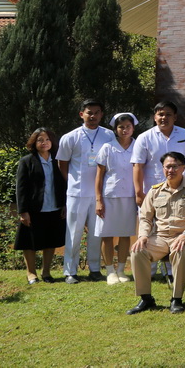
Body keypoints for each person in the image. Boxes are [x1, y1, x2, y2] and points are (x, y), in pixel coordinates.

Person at [126, 151, 185, 315]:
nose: (171, 170)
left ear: (183, 168)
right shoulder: (155, 191)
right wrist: (143, 236)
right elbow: (146, 218)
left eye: (175, 166)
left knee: (180, 250)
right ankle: (146, 298)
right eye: (168, 167)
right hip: (160, 237)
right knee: (138, 251)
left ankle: (176, 299)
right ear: (163, 168)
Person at [57, 98, 115, 283]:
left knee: (96, 232)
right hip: (77, 192)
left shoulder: (109, 135)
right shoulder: (70, 137)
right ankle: (70, 271)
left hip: (100, 193)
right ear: (81, 114)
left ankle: (95, 269)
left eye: (97, 112)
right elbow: (62, 164)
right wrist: (72, 182)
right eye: (89, 112)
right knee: (73, 232)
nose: (93, 116)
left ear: (101, 115)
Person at [14, 128, 66, 285]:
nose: (44, 143)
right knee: (29, 242)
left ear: (52, 142)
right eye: (40, 140)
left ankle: (46, 272)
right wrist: (23, 211)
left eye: (47, 139)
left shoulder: (58, 161)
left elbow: (64, 184)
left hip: (54, 208)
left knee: (50, 241)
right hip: (34, 209)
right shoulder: (26, 161)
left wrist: (64, 204)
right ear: (34, 143)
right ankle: (31, 273)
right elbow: (21, 188)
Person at [95, 112, 138, 284]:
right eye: (121, 127)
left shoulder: (138, 146)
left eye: (128, 126)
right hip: (109, 196)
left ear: (133, 128)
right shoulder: (107, 147)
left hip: (130, 196)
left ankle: (121, 270)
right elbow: (99, 175)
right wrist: (99, 199)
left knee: (125, 234)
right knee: (107, 234)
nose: (125, 130)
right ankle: (110, 271)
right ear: (115, 129)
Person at [131, 101, 185, 206]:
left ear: (175, 117)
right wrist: (138, 193)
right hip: (152, 190)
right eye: (160, 114)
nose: (164, 117)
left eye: (168, 114)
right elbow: (137, 166)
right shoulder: (144, 138)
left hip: (181, 190)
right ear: (154, 117)